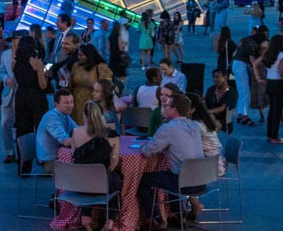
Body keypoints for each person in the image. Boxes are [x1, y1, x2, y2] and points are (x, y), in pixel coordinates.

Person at [138, 93, 205, 228]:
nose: (164, 108)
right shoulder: (195, 126)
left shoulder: (168, 128)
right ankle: (178, 214)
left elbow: (147, 151)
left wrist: (143, 145)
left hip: (184, 182)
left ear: (174, 110)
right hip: (202, 179)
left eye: (166, 106)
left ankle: (158, 219)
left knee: (143, 180)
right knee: (170, 173)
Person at [71, 101, 122, 231]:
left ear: (85, 115)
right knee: (115, 181)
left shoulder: (76, 132)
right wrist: (104, 173)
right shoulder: (112, 135)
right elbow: (114, 161)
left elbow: (73, 155)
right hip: (101, 181)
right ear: (102, 114)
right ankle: (109, 222)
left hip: (79, 182)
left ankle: (86, 220)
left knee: (87, 176)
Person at [187, 93, 225, 220]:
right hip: (217, 161)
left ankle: (195, 205)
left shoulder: (196, 125)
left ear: (191, 109)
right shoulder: (204, 120)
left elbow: (190, 148)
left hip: (211, 166)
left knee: (182, 174)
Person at [14, 35, 49, 138]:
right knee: (40, 128)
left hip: (21, 95)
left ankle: (23, 151)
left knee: (23, 128)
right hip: (36, 96)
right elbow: (43, 85)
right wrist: (41, 69)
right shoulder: (36, 62)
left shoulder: (15, 62)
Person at [67, 44, 113, 124]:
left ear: (89, 55)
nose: (79, 57)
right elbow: (70, 83)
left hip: (93, 103)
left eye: (81, 55)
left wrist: (92, 83)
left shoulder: (101, 67)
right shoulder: (76, 66)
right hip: (77, 104)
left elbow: (107, 85)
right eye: (78, 55)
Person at [35, 89, 76, 171]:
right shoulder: (51, 118)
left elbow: (77, 129)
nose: (70, 105)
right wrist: (87, 139)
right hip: (50, 161)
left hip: (60, 156)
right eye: (66, 103)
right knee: (84, 164)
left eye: (71, 102)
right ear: (56, 104)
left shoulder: (65, 114)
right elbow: (65, 141)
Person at [259, 34, 283, 144]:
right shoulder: (282, 55)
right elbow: (282, 71)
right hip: (278, 83)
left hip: (269, 81)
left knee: (272, 109)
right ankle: (275, 136)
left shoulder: (268, 53)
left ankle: (269, 134)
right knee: (277, 110)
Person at [0, 31, 20, 164]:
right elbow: (1, 71)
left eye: (17, 40)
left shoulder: (30, 54)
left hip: (22, 93)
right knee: (5, 123)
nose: (15, 42)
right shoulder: (5, 54)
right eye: (13, 40)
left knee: (22, 124)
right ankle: (9, 152)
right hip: (8, 93)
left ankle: (22, 151)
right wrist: (5, 78)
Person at [231, 27, 258, 127]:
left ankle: (240, 113)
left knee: (241, 91)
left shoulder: (243, 42)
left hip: (236, 64)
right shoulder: (251, 44)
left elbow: (234, 54)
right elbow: (252, 60)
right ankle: (245, 115)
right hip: (242, 65)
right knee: (245, 92)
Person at [204, 68, 237, 133]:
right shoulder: (211, 90)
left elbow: (222, 108)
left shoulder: (231, 92)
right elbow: (205, 103)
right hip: (209, 117)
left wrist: (206, 112)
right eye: (213, 77)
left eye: (217, 77)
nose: (214, 79)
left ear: (225, 77)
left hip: (223, 121)